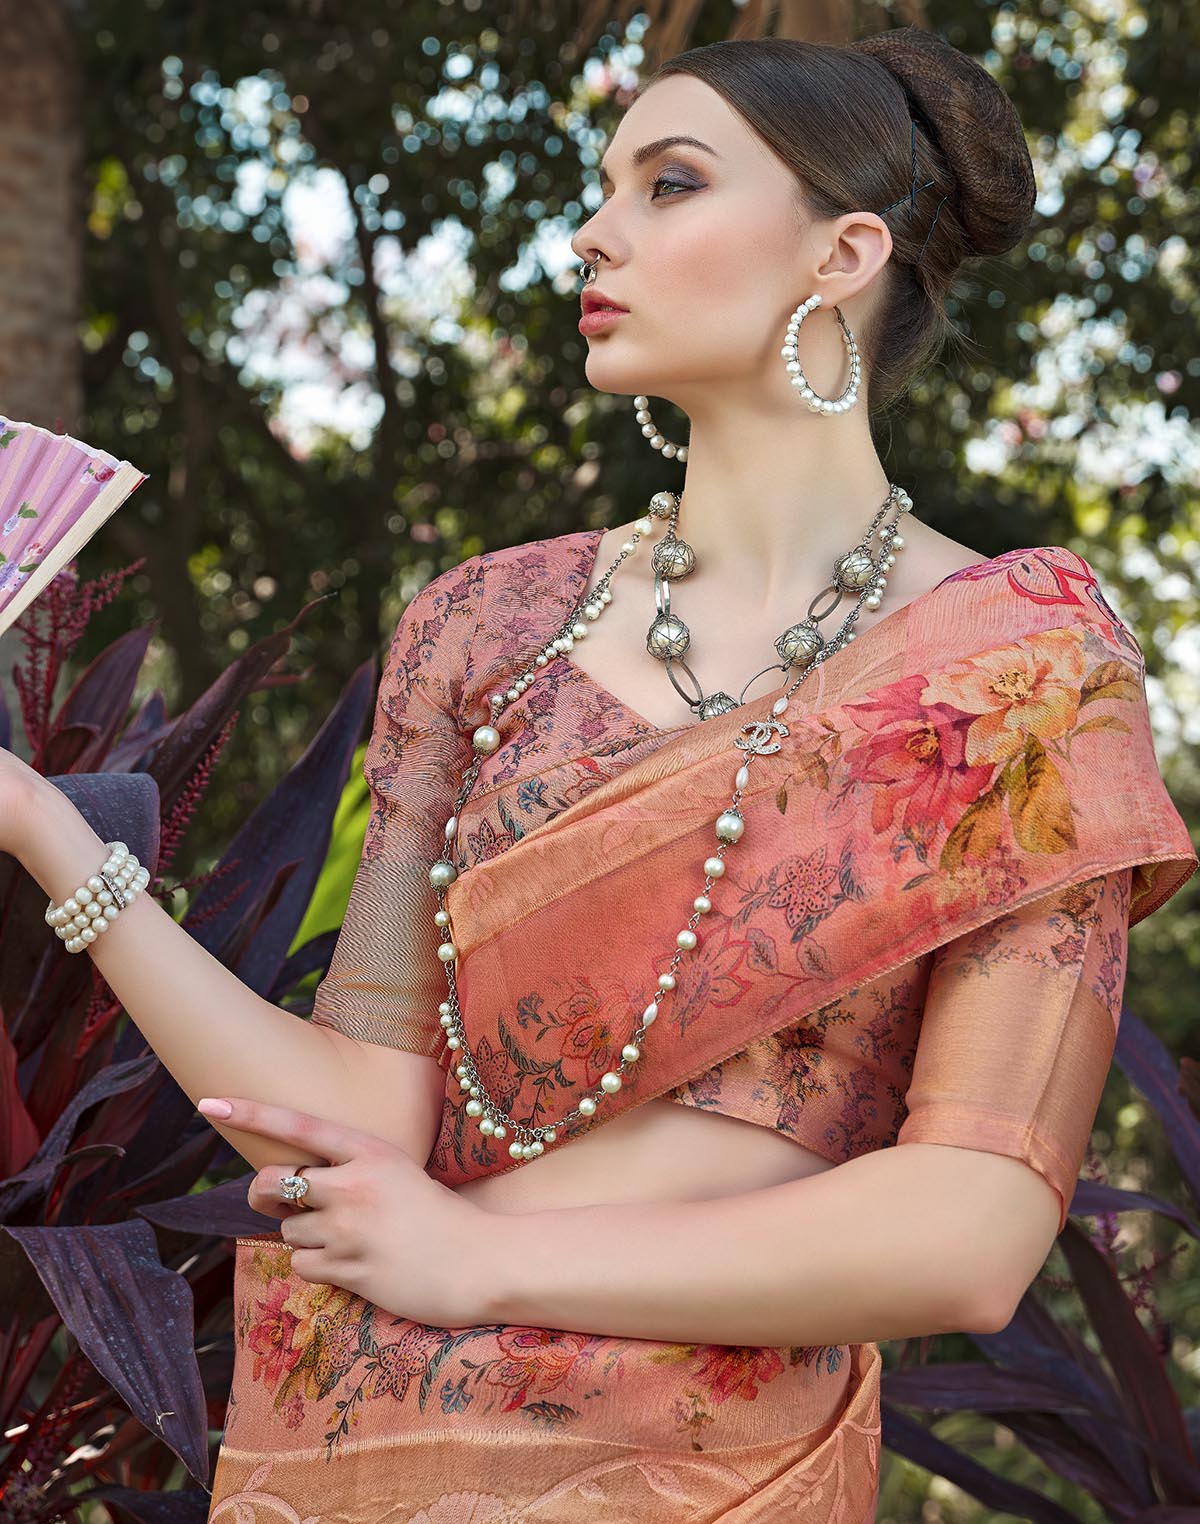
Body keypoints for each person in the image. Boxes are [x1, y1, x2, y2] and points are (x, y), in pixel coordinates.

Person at [5, 27, 1195, 1524]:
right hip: (361, 1438)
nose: (595, 230)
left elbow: (973, 1225)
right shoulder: (483, 626)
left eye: (670, 183)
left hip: (707, 1468)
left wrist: (481, 1258)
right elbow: (357, 1120)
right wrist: (46, 829)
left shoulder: (1019, 665)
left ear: (846, 252)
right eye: (604, 187)